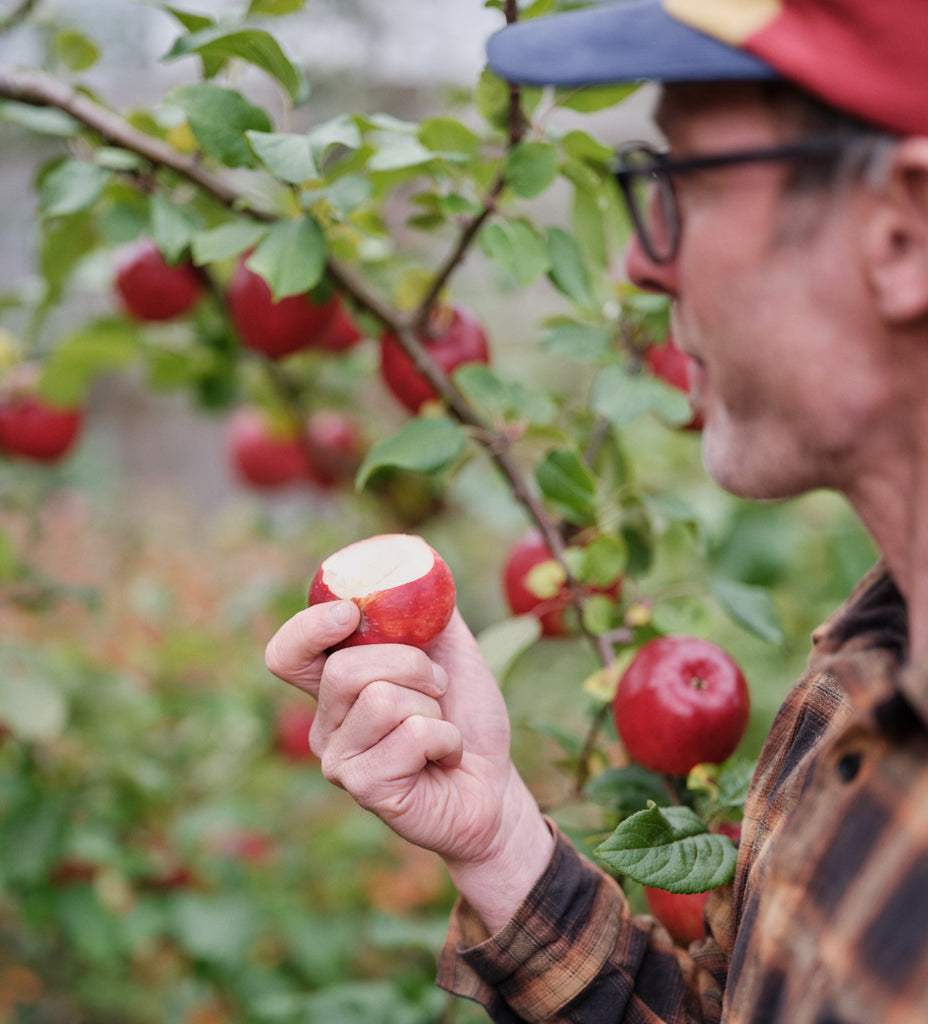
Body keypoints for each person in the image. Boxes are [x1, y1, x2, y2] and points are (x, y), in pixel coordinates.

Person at [265, 0, 928, 1020]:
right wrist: (498, 845)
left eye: (680, 186)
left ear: (902, 232)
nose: (639, 263)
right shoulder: (858, 682)